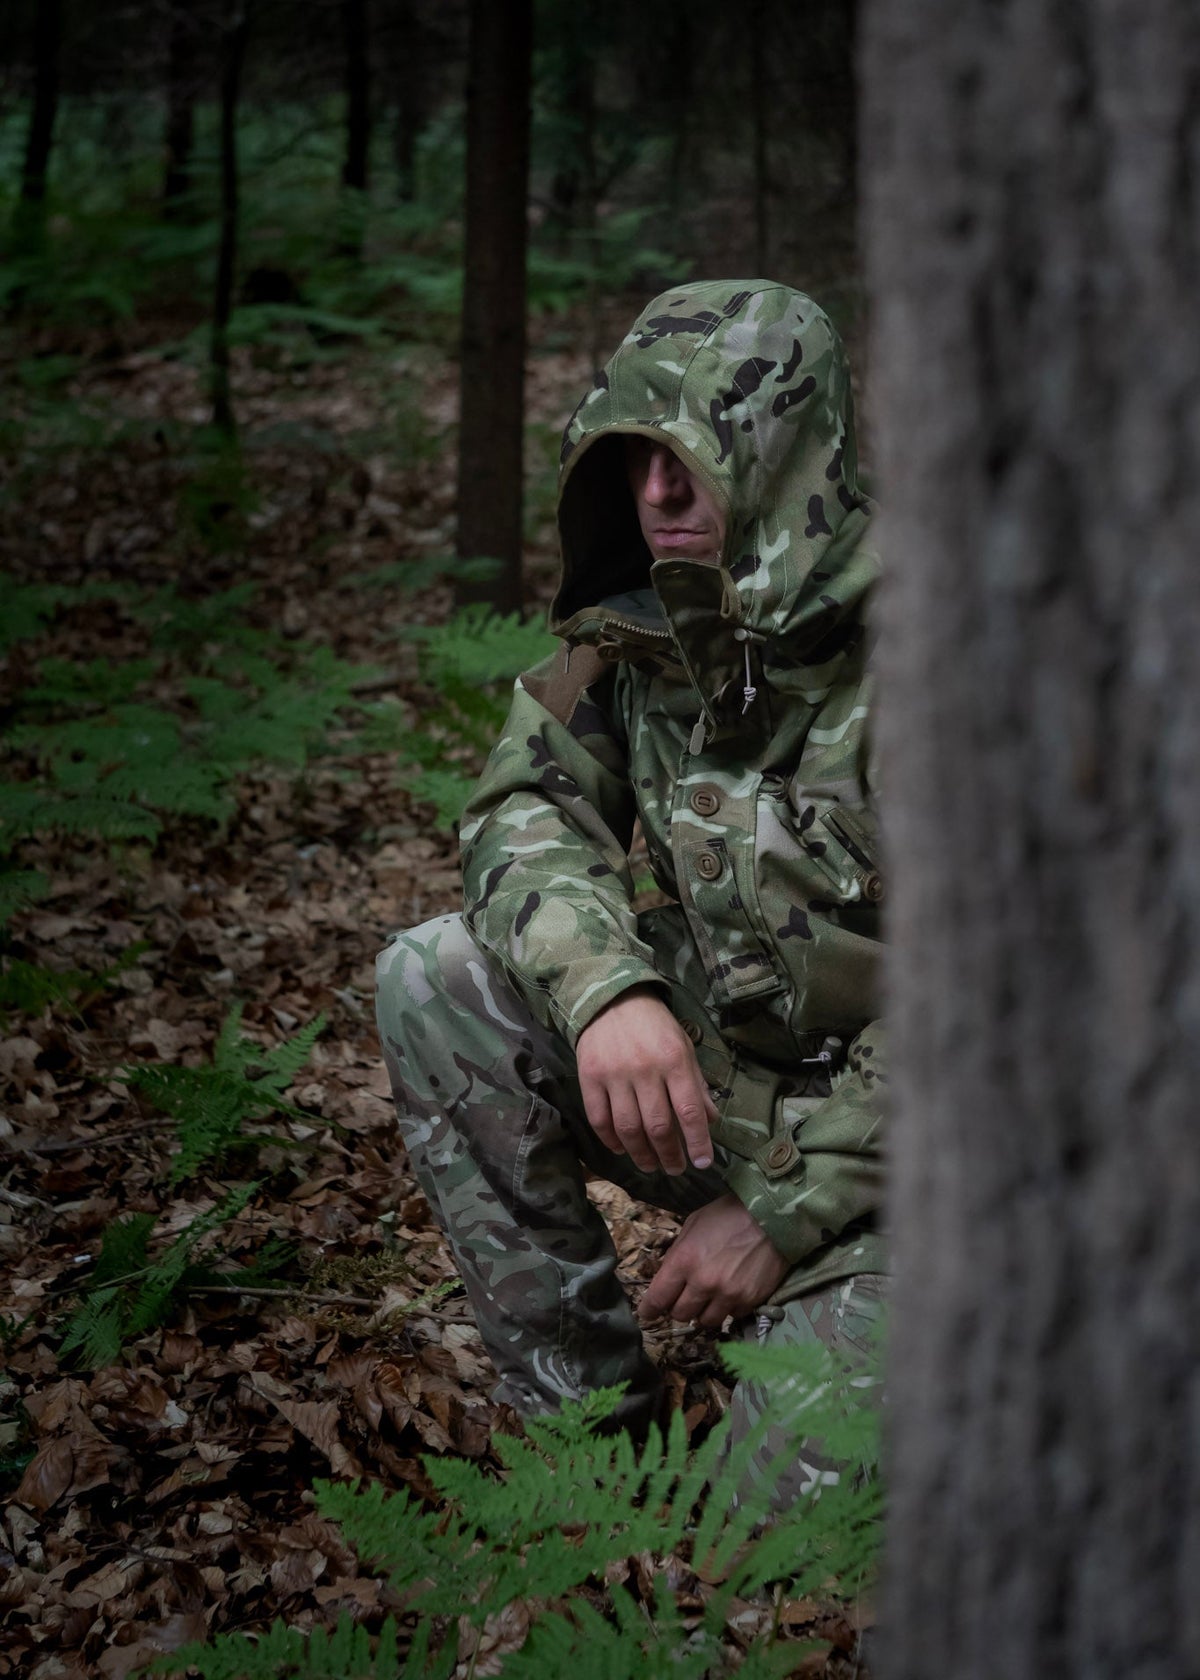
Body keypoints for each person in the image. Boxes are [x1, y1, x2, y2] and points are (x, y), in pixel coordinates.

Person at [376, 279, 885, 1503]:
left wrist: (786, 1213)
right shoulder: (633, 633)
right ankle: (592, 1459)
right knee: (438, 975)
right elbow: (522, 808)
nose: (656, 491)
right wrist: (608, 989)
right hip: (746, 1092)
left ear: (786, 449)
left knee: (780, 1543)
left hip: (933, 1156)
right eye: (634, 452)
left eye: (693, 453)